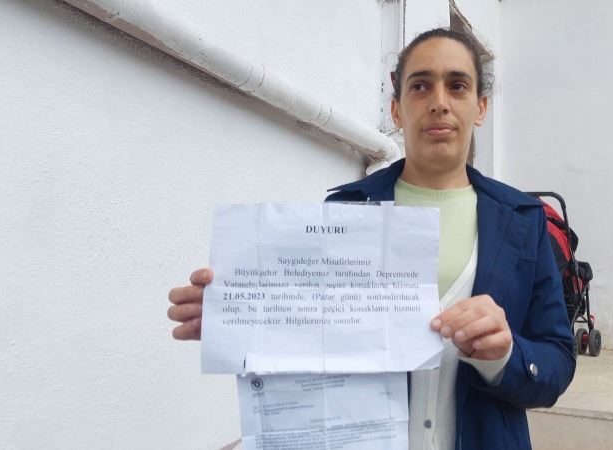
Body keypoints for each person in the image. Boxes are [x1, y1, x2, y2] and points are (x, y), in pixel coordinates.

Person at [168, 28, 575, 450]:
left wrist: (505, 356)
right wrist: (241, 319)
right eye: (420, 86)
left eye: (457, 86)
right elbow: (311, 335)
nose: (439, 102)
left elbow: (557, 363)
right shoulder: (345, 212)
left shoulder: (523, 222)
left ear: (480, 107)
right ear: (396, 110)